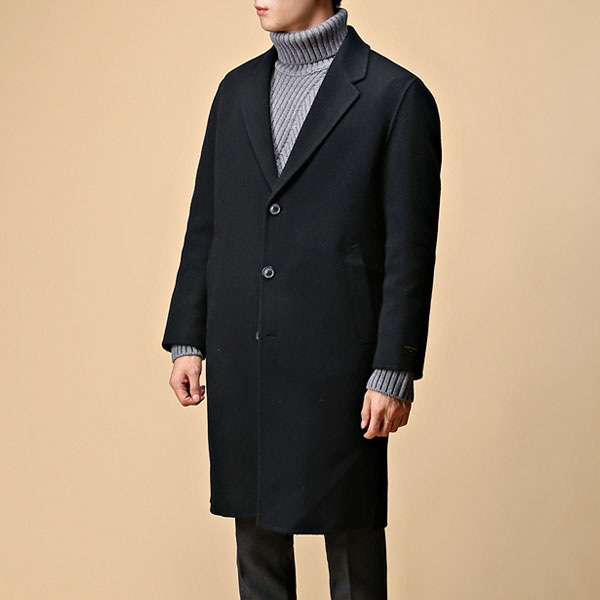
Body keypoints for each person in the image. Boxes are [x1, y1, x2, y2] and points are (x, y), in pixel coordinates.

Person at [162, 1, 442, 598]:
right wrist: (188, 336)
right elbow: (206, 222)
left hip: (342, 363)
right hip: (244, 351)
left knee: (352, 546)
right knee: (256, 546)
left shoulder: (395, 96)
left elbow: (409, 251)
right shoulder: (235, 91)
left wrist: (394, 368)